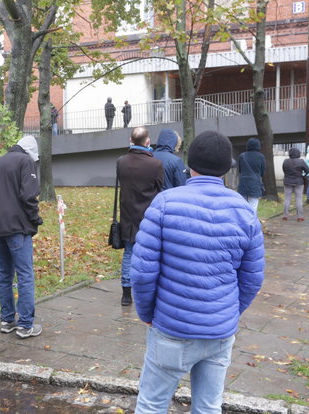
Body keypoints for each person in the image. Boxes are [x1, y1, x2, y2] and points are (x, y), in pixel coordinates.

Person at [130, 130, 265, 414]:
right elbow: (252, 279)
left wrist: (146, 314)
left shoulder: (165, 204)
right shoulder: (245, 212)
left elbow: (142, 273)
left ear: (189, 164)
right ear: (228, 168)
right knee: (208, 408)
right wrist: (226, 311)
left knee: (152, 404)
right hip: (219, 333)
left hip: (171, 327)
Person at [0, 135, 44, 339]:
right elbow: (29, 196)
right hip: (18, 227)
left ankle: (7, 320)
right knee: (25, 275)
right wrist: (35, 219)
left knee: (3, 275)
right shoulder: (25, 161)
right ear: (30, 151)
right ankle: (26, 325)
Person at [116, 126, 163, 306]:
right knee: (150, 255)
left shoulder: (121, 162)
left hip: (128, 214)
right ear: (148, 141)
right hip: (149, 216)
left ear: (130, 141)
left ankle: (126, 293)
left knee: (129, 253)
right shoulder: (155, 164)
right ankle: (147, 289)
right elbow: (160, 188)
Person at [237, 137, 266, 212]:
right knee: (253, 206)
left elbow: (240, 170)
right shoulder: (261, 157)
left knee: (243, 206)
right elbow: (262, 172)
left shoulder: (242, 156)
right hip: (255, 183)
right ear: (258, 145)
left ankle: (243, 222)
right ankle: (252, 222)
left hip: (243, 183)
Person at [282, 147, 309, 221]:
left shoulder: (285, 161)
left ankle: (285, 215)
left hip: (287, 181)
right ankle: (300, 217)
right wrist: (302, 174)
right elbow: (307, 170)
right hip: (299, 182)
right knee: (299, 199)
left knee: (287, 199)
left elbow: (284, 169)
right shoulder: (301, 161)